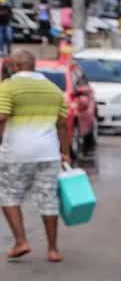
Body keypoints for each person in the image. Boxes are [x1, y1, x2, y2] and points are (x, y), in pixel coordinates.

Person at [0, 49, 69, 261]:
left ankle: (21, 241)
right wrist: (65, 152)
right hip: (48, 152)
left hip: (17, 152)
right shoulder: (53, 89)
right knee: (48, 199)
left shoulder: (8, 87)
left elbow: (2, 117)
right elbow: (63, 124)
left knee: (9, 195)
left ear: (15, 66)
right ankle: (53, 249)